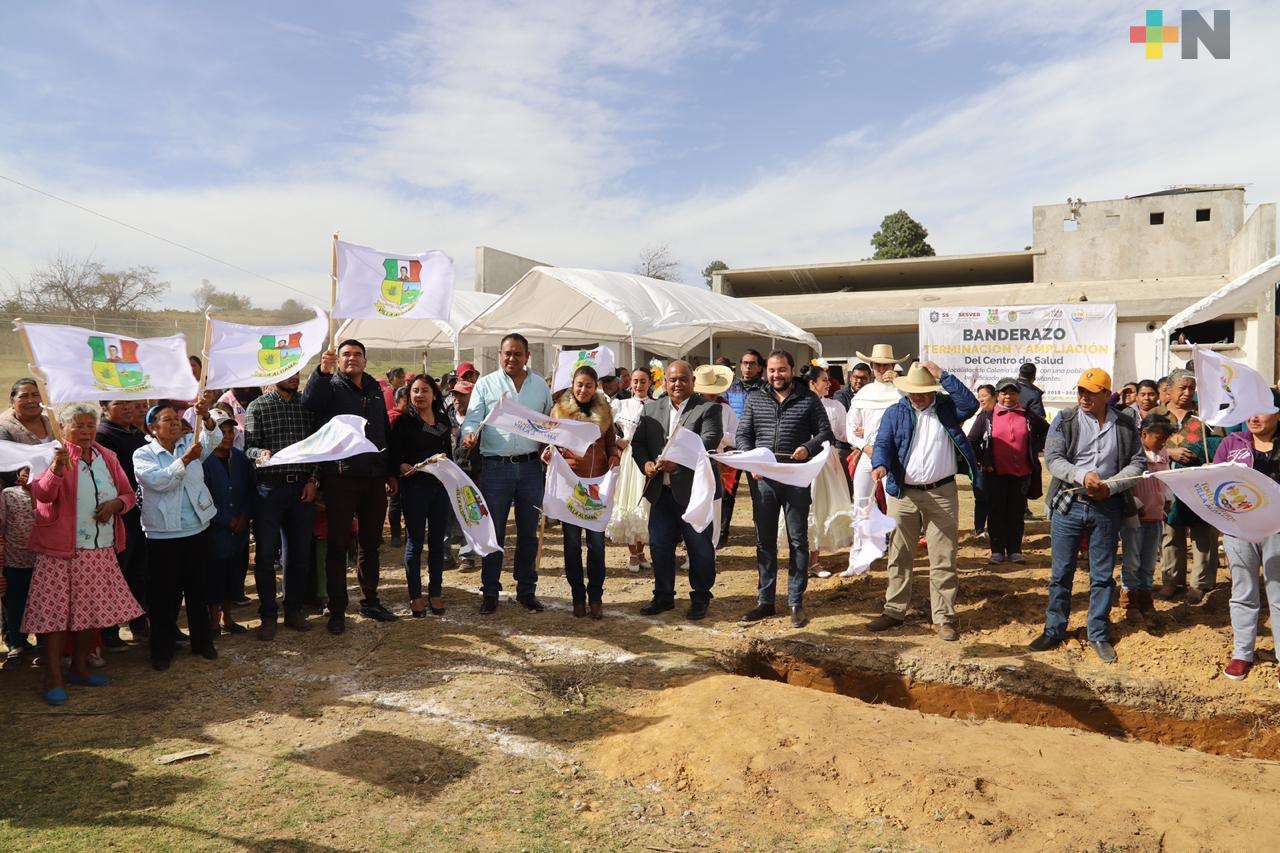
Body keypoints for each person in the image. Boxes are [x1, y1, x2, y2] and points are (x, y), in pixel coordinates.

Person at [25, 403, 142, 704]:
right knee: (55, 616)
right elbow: (42, 495)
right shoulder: (49, 454)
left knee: (91, 611)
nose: (86, 431)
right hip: (61, 551)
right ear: (63, 428)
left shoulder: (107, 456)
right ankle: (52, 677)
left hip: (99, 549)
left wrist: (115, 505)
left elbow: (129, 495)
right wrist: (56, 469)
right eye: (79, 425)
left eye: (91, 425)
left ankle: (79, 668)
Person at [1029, 368, 1145, 663]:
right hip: (1069, 503)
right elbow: (1054, 459)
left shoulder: (1126, 424)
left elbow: (1137, 462)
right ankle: (1054, 629)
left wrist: (1111, 486)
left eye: (1090, 392)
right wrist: (1082, 475)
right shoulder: (1065, 419)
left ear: (1106, 394)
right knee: (1061, 572)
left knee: (1102, 575)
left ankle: (1098, 633)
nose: (1083, 397)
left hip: (1107, 505)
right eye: (1080, 391)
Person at [868, 362, 978, 640]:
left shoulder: (947, 408)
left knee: (943, 556)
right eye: (912, 392)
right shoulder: (895, 412)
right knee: (899, 553)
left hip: (942, 493)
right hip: (903, 494)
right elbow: (883, 443)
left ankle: (943, 617)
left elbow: (971, 404)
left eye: (922, 391)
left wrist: (944, 375)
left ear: (933, 390)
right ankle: (894, 610)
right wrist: (880, 464)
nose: (916, 397)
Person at [302, 338, 398, 634]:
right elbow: (310, 402)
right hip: (341, 476)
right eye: (346, 354)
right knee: (338, 544)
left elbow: (383, 430)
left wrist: (390, 471)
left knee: (370, 544)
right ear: (339, 359)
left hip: (374, 477)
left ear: (365, 360)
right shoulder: (330, 386)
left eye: (357, 354)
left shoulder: (375, 389)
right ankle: (337, 609)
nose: (352, 358)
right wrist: (322, 371)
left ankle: (370, 600)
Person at [737, 350, 832, 628]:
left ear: (791, 370)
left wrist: (807, 448)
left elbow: (825, 432)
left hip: (795, 478)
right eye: (772, 370)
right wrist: (751, 461)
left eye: (781, 370)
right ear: (765, 372)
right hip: (763, 479)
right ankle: (765, 601)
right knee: (764, 541)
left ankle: (795, 602)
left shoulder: (808, 399)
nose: (776, 375)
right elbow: (743, 434)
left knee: (797, 540)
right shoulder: (755, 398)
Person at [460, 333, 554, 614]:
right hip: (496, 468)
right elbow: (472, 420)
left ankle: (526, 590)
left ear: (527, 356)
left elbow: (549, 422)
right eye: (507, 353)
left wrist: (550, 444)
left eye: (517, 354)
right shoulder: (486, 384)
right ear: (500, 355)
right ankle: (490, 591)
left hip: (531, 468)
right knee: (494, 532)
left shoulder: (540, 386)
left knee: (528, 532)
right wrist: (469, 434)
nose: (511, 358)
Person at [630, 360, 722, 620]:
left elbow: (708, 442)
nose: (678, 384)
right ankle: (663, 596)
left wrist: (678, 463)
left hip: (694, 493)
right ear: (664, 382)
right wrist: (646, 464)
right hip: (661, 492)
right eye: (672, 379)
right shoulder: (650, 409)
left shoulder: (708, 409)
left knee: (699, 548)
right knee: (660, 546)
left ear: (693, 382)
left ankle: (701, 597)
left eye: (683, 379)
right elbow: (638, 444)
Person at [134, 401, 221, 671]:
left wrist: (206, 417)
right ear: (153, 427)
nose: (174, 424)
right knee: (164, 594)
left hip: (197, 528)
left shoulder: (189, 444)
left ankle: (203, 643)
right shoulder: (144, 454)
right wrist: (185, 460)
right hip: (163, 534)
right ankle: (162, 649)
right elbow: (159, 482)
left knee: (198, 589)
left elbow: (213, 438)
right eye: (167, 420)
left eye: (176, 419)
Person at [244, 372, 319, 640]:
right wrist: (259, 454)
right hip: (269, 489)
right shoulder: (258, 407)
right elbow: (248, 448)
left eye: (297, 372)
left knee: (299, 554)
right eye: (289, 373)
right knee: (265, 556)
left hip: (302, 488)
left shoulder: (307, 405)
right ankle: (268, 615)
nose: (295, 377)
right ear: (275, 373)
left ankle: (294, 609)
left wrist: (314, 480)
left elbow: (318, 447)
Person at [546, 366, 621, 619]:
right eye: (579, 385)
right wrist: (548, 454)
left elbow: (611, 444)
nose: (583, 390)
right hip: (570, 486)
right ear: (572, 385)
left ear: (596, 386)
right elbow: (551, 444)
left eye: (589, 385)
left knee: (596, 545)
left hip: (597, 487)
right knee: (571, 544)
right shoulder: (558, 412)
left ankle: (596, 596)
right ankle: (577, 597)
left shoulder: (605, 411)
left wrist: (614, 456)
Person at [1213, 401, 1280, 681]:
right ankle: (1242, 654)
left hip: (1277, 528)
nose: (1253, 417)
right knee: (1243, 591)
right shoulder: (1231, 443)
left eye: (1261, 410)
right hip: (1239, 528)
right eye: (1249, 410)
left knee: (1278, 592)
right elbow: (1214, 482)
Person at [1152, 368, 1223, 605]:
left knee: (1203, 533)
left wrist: (1208, 457)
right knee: (1171, 532)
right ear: (1169, 390)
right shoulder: (1156, 415)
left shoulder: (1205, 416)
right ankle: (1171, 581)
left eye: (1191, 388)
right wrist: (1169, 452)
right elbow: (1142, 445)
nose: (1187, 392)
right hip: (1166, 483)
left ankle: (1199, 583)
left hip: (1200, 484)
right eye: (1182, 387)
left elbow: (1220, 445)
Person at [391, 374, 454, 617]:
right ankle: (415, 596)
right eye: (415, 390)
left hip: (440, 489)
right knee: (415, 543)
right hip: (415, 489)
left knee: (437, 543)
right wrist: (401, 466)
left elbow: (448, 453)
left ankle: (435, 593)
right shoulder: (404, 422)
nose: (420, 395)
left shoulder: (443, 419)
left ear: (434, 394)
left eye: (425, 390)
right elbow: (395, 455)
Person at [967, 377, 1047, 563]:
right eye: (1004, 393)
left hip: (1021, 474)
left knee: (1016, 513)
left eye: (1012, 392)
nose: (1008, 396)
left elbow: (1046, 431)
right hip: (995, 474)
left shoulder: (1028, 415)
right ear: (997, 395)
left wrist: (1034, 447)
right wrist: (983, 460)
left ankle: (1014, 550)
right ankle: (997, 551)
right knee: (996, 512)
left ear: (1018, 395)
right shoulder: (987, 416)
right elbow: (971, 441)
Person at [844, 347, 906, 569]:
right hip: (868, 454)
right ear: (872, 367)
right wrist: (865, 446)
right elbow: (850, 428)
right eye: (877, 365)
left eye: (885, 365)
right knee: (861, 505)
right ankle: (858, 559)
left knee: (895, 507)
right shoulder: (864, 393)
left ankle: (897, 559)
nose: (881, 369)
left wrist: (899, 383)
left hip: (894, 457)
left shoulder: (902, 391)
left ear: (892, 366)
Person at [95, 399, 150, 645]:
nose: (128, 408)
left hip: (140, 512)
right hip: (116, 515)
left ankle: (139, 621)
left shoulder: (137, 434)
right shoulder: (102, 436)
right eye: (120, 403)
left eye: (130, 403)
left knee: (139, 570)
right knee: (117, 572)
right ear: (104, 407)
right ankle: (109, 630)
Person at [202, 410, 255, 636]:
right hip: (215, 531)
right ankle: (213, 621)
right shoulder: (204, 461)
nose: (227, 436)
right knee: (214, 576)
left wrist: (243, 515)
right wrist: (225, 519)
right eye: (222, 432)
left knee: (234, 574)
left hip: (238, 530)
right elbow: (201, 497)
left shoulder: (240, 458)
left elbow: (250, 489)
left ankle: (228, 618)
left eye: (230, 431)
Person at [1119, 416, 1176, 623]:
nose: (1163, 443)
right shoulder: (1131, 453)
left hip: (1156, 515)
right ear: (1144, 434)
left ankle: (1145, 598)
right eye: (1159, 438)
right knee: (1132, 560)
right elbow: (1124, 484)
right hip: (1135, 516)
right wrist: (1135, 505)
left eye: (1165, 439)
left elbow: (1166, 479)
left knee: (1149, 560)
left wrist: (1167, 500)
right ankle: (1129, 600)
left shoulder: (1163, 454)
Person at [799, 363, 852, 578]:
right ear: (812, 383)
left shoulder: (834, 406)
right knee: (801, 510)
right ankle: (799, 561)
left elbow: (844, 434)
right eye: (824, 380)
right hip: (802, 462)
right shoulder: (796, 403)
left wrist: (861, 434)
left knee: (820, 509)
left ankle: (813, 561)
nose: (829, 384)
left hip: (826, 463)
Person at [609, 367, 654, 572]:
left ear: (650, 382)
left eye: (643, 381)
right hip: (628, 459)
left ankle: (642, 550)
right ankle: (633, 553)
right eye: (635, 381)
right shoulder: (621, 405)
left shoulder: (658, 405)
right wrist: (618, 440)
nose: (638, 385)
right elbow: (603, 427)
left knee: (645, 503)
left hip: (648, 460)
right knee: (627, 501)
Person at [1, 470, 36, 667]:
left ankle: (43, 645)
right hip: (14, 560)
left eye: (32, 473)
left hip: (43, 561)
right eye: (24, 473)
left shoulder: (48, 494)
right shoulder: (8, 494)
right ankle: (16, 644)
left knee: (41, 605)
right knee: (15, 605)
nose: (27, 477)